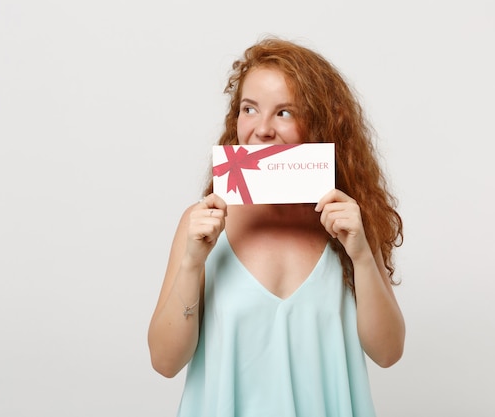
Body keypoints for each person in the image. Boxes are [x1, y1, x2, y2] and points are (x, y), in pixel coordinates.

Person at [148, 36, 405, 417]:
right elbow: (165, 362)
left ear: (320, 124)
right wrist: (192, 262)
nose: (262, 129)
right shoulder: (201, 224)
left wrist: (363, 255)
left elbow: (387, 353)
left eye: (284, 112)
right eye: (249, 109)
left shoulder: (349, 224)